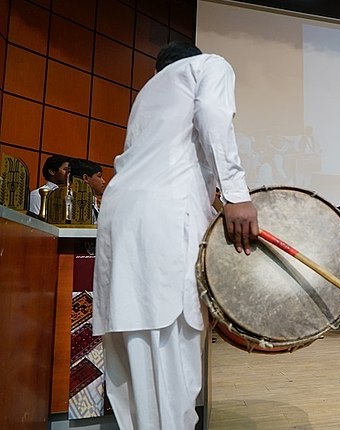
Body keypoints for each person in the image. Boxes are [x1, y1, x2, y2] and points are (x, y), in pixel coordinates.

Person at [93, 42, 259, 429]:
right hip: (164, 219)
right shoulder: (208, 66)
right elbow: (214, 118)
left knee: (133, 365)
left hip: (121, 216)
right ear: (194, 56)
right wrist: (235, 194)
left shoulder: (147, 93)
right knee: (172, 362)